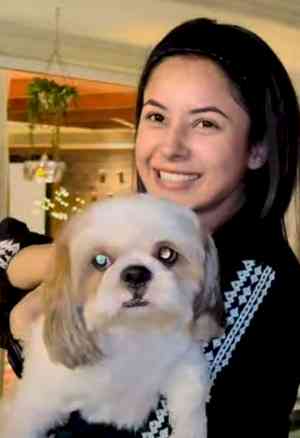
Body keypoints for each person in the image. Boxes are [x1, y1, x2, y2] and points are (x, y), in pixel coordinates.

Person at [0, 17, 299, 437]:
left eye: (205, 123)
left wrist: (22, 329)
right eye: (157, 117)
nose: (171, 148)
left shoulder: (256, 281)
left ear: (258, 148)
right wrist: (43, 263)